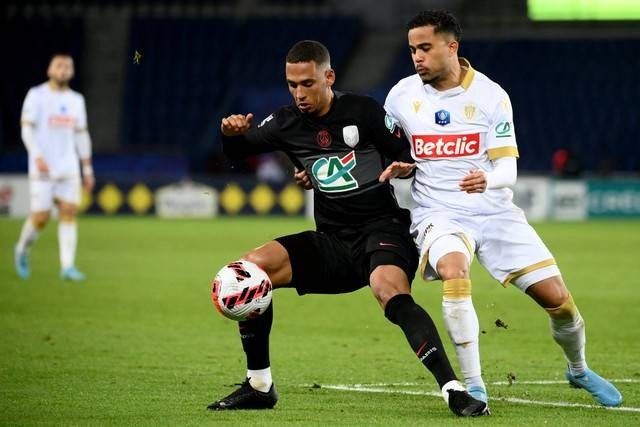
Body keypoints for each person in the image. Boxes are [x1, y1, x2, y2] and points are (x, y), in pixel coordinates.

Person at [208, 40, 486, 417]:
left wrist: (406, 166)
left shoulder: (364, 111)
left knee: (388, 288)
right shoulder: (286, 123)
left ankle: (453, 389)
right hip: (333, 242)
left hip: (382, 230)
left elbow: (410, 153)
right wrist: (231, 132)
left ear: (329, 77)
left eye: (307, 83)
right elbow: (237, 152)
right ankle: (260, 385)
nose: (299, 93)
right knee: (249, 272)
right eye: (292, 84)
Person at [380, 10, 622, 408]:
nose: (417, 57)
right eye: (412, 50)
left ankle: (578, 370)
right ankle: (474, 386)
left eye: (425, 47)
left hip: (494, 212)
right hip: (438, 213)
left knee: (559, 302)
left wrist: (487, 180)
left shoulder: (491, 95)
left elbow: (507, 167)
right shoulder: (401, 96)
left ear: (451, 47)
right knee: (454, 271)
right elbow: (386, 148)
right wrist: (400, 166)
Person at [14, 53, 95, 281]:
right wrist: (37, 155)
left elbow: (81, 135)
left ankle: (67, 266)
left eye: (68, 66)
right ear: (49, 70)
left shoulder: (76, 100)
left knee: (69, 211)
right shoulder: (36, 95)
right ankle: (22, 248)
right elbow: (27, 129)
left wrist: (87, 169)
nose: (63, 69)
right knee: (41, 217)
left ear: (72, 72)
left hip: (68, 167)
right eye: (59, 65)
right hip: (43, 168)